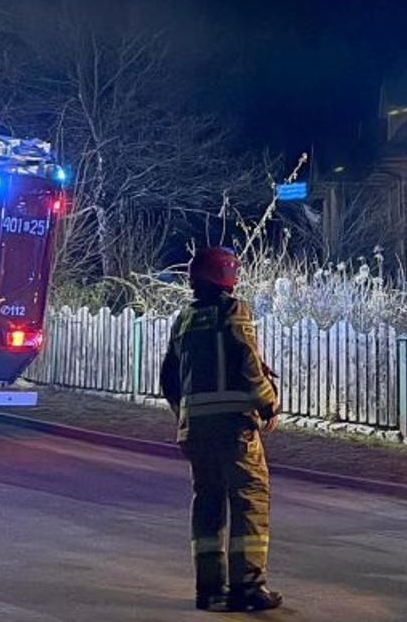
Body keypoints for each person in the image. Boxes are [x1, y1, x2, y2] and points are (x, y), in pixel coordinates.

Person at [160, 246, 283, 611]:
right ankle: (248, 587)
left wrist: (186, 415)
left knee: (208, 504)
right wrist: (268, 403)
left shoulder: (183, 319)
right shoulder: (234, 311)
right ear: (228, 276)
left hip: (196, 433)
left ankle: (210, 591)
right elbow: (246, 364)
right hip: (235, 431)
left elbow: (169, 379)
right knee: (250, 500)